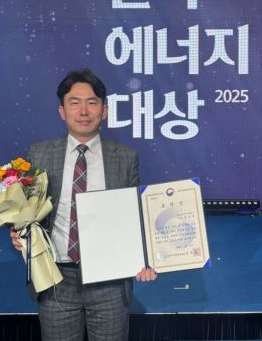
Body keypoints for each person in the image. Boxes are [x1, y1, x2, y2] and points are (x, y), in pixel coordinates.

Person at [10, 68, 157, 341]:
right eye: (74, 102)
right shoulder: (40, 153)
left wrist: (146, 258)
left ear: (105, 110)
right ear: (62, 111)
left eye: (92, 102)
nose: (84, 111)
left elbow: (135, 216)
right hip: (55, 279)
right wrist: (20, 232)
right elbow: (27, 210)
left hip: (110, 281)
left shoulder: (126, 158)